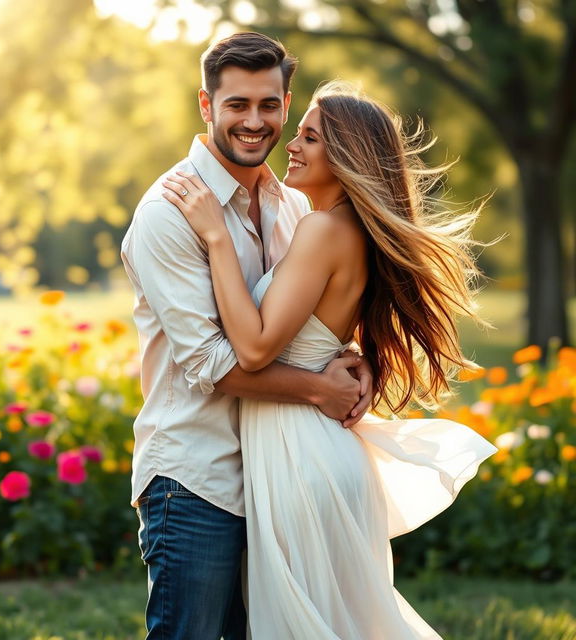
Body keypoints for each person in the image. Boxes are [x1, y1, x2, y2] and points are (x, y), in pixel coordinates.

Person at [162, 81, 497, 638]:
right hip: (312, 449)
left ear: (345, 156)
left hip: (302, 455)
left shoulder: (321, 229)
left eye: (310, 137)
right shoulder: (340, 229)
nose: (292, 146)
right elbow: (316, 329)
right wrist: (351, 355)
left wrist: (217, 238)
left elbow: (254, 347)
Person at [120, 33, 374, 640]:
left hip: (276, 475)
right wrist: (319, 389)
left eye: (269, 104)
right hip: (196, 478)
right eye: (237, 105)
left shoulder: (292, 203)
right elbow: (213, 362)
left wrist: (349, 355)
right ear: (207, 107)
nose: (254, 122)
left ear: (287, 105)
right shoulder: (169, 212)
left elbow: (298, 321)